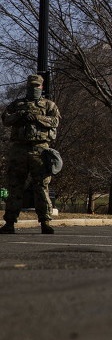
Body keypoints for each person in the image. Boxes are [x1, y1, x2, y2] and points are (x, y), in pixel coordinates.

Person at [1, 74, 60, 234]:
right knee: (15, 186)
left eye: (37, 86)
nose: (34, 89)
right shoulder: (17, 104)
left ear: (41, 87)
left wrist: (38, 118)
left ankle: (45, 221)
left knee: (41, 186)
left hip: (40, 150)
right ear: (27, 86)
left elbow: (55, 121)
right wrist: (19, 115)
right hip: (19, 150)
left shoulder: (49, 105)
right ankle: (10, 222)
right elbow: (5, 119)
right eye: (31, 86)